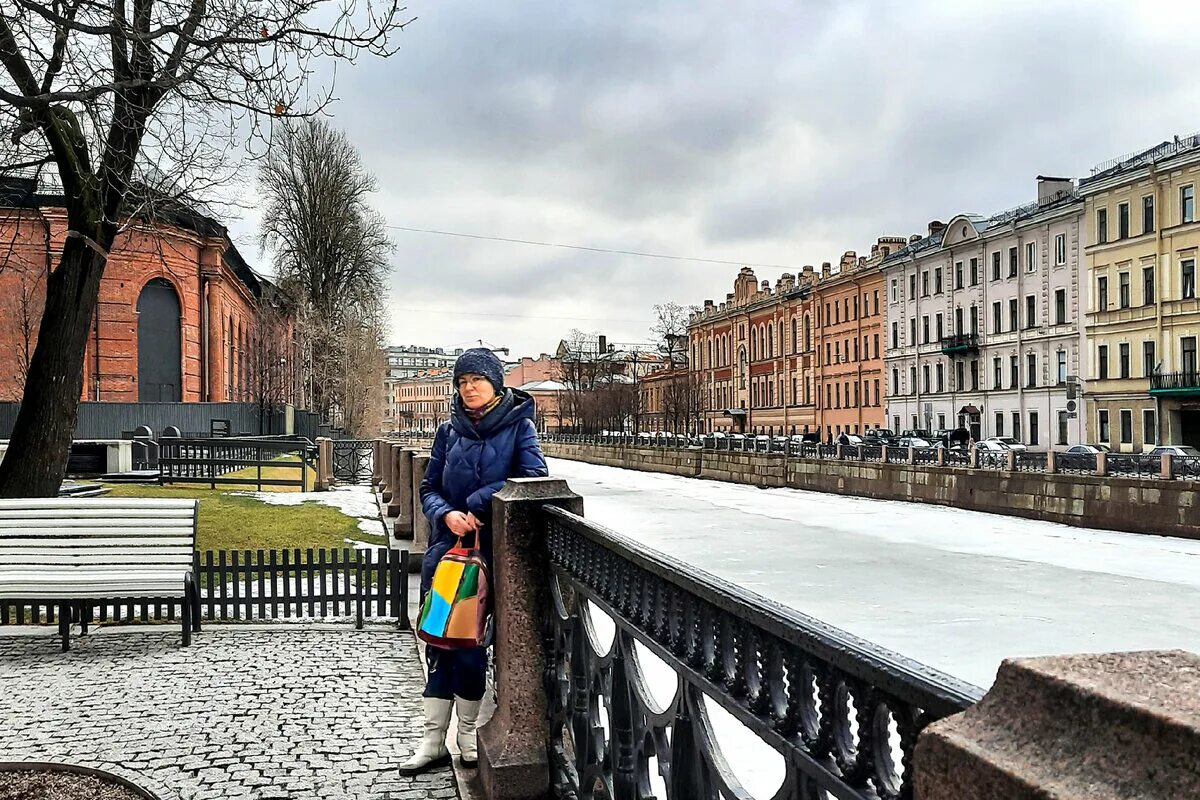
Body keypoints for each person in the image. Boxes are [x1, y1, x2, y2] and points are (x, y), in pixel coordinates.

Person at [399, 348, 548, 775]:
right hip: (446, 555)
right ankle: (432, 741)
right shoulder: (448, 431)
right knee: (439, 643)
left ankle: (465, 735)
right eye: (462, 381)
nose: (468, 388)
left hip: (488, 557)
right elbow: (429, 487)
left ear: (495, 384)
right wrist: (445, 513)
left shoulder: (519, 426)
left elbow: (533, 478)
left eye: (476, 380)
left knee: (468, 647)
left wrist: (478, 505)